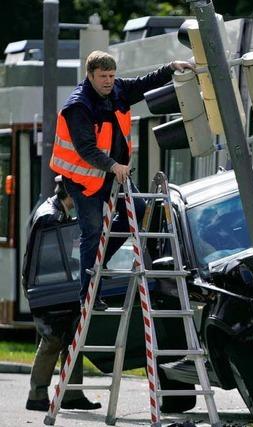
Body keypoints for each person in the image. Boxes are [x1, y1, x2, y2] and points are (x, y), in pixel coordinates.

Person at [49, 50, 194, 310]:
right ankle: (90, 296)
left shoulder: (118, 90)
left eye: (112, 75)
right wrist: (113, 165)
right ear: (90, 75)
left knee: (138, 212)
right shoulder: (78, 107)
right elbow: (86, 149)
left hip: (114, 174)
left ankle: (100, 259)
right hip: (83, 179)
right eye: (103, 76)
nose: (108, 81)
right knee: (92, 231)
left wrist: (171, 66)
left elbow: (145, 82)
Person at [23, 176, 101, 411]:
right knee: (53, 339)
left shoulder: (55, 211)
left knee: (71, 339)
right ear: (72, 193)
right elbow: (51, 259)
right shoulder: (51, 217)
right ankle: (37, 395)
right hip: (48, 287)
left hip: (53, 285)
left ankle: (71, 393)